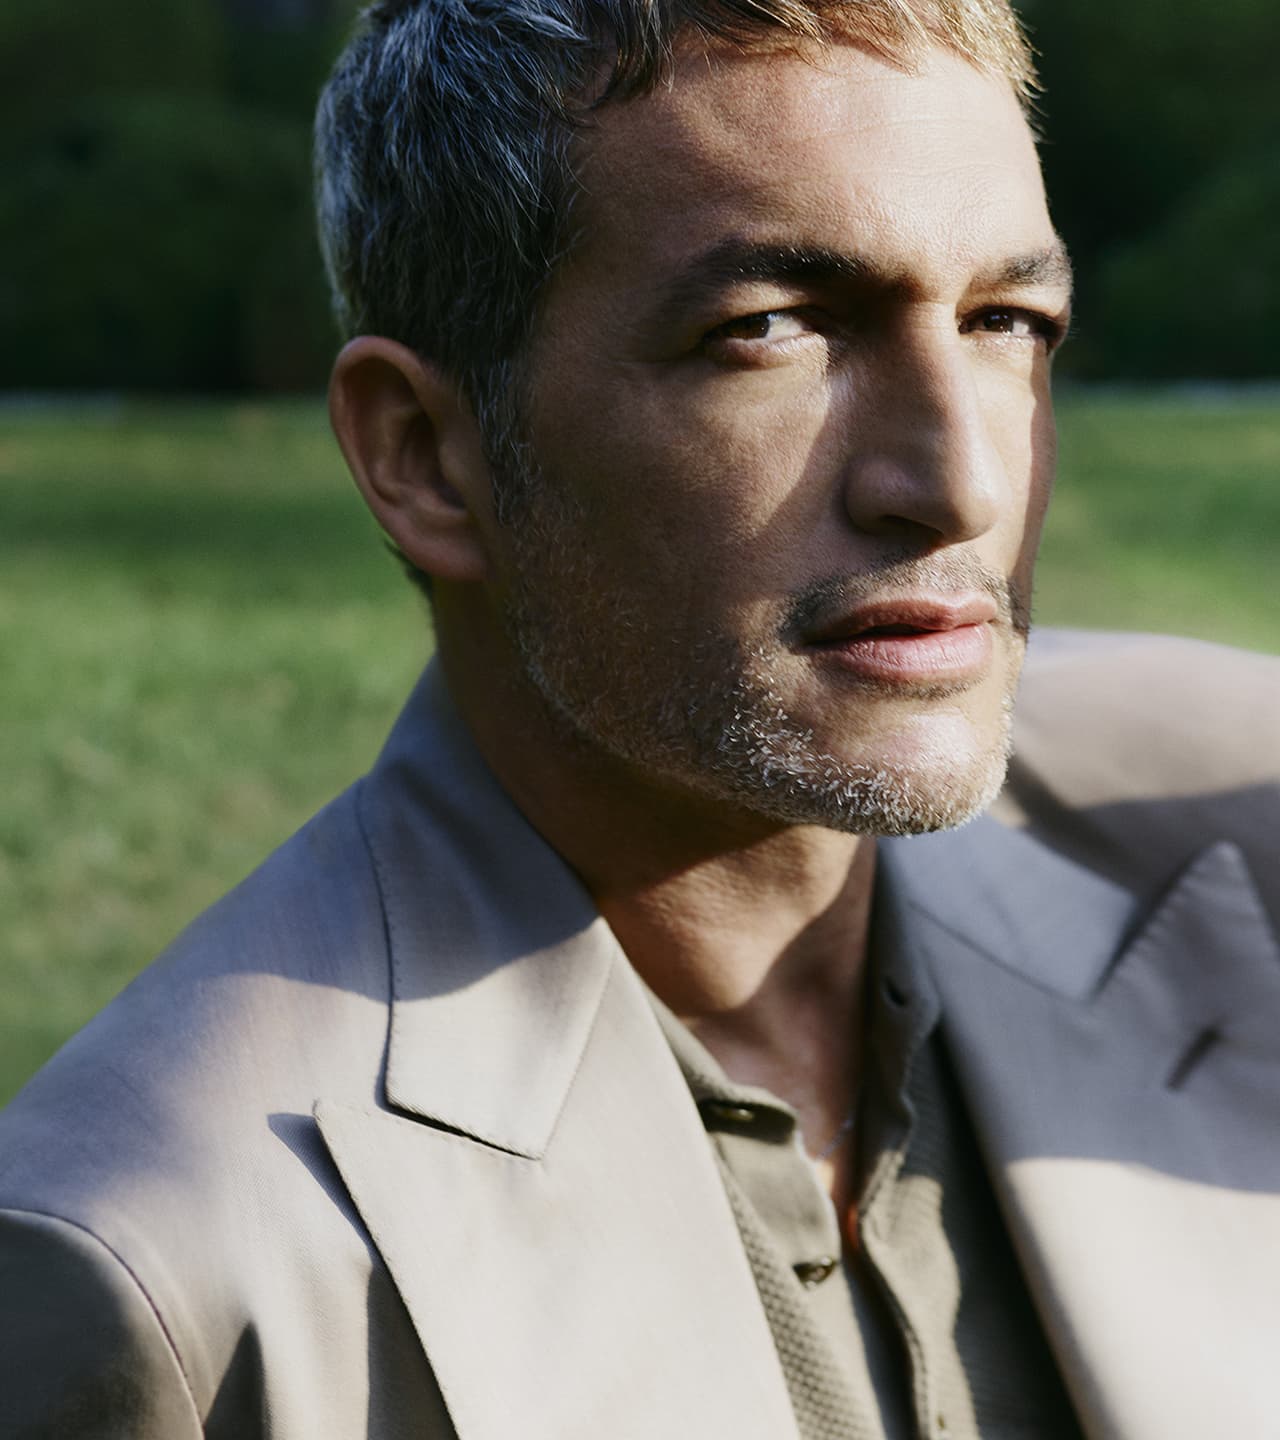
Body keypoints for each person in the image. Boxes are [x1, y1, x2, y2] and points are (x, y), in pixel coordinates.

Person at [2, 1, 1277, 1436]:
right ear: (425, 457)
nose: (962, 480)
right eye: (771, 330)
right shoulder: (156, 1262)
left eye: (1004, 320)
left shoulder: (1239, 837)